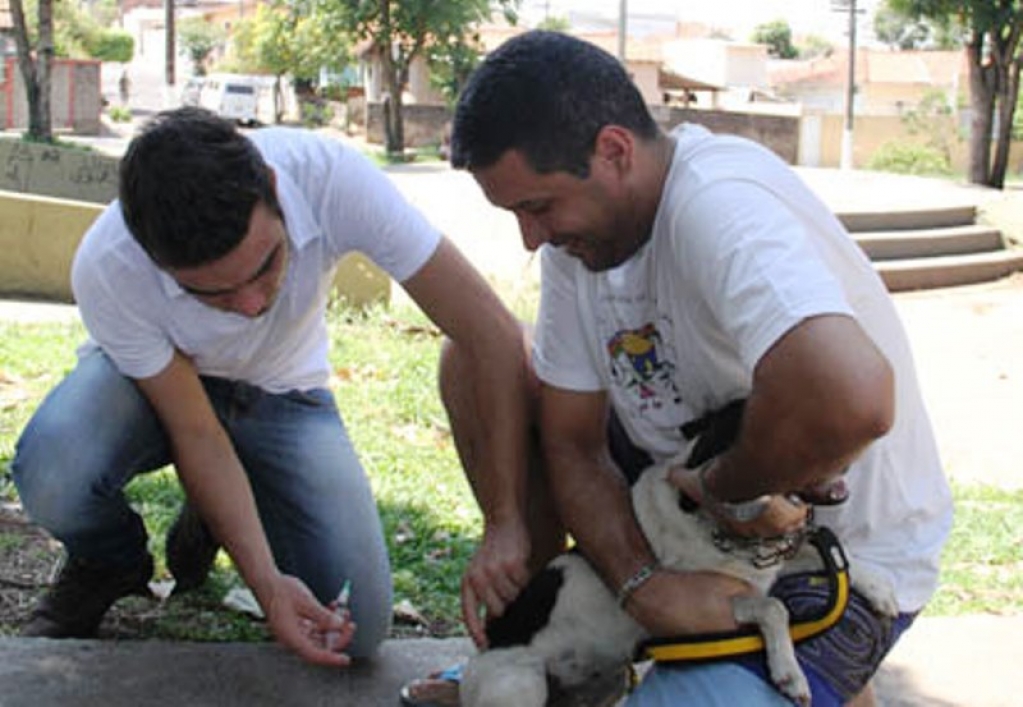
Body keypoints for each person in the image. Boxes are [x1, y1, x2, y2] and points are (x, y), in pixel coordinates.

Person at [404, 30, 953, 706]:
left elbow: (853, 399)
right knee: (478, 366)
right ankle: (540, 648)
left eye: (537, 206)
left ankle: (816, 665)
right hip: (675, 507)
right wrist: (645, 584)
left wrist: (724, 490)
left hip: (832, 549)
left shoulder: (718, 205)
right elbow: (570, 440)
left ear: (613, 150)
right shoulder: (580, 243)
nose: (530, 237)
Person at [12, 106, 531, 667]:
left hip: (286, 397)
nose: (251, 305)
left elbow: (491, 331)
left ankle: (217, 513)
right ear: (148, 253)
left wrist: (504, 519)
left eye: (266, 266)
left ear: (276, 191)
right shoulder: (108, 263)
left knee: (356, 631)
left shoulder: (330, 177)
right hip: (160, 396)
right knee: (54, 468)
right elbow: (197, 433)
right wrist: (265, 583)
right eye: (210, 294)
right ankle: (108, 561)